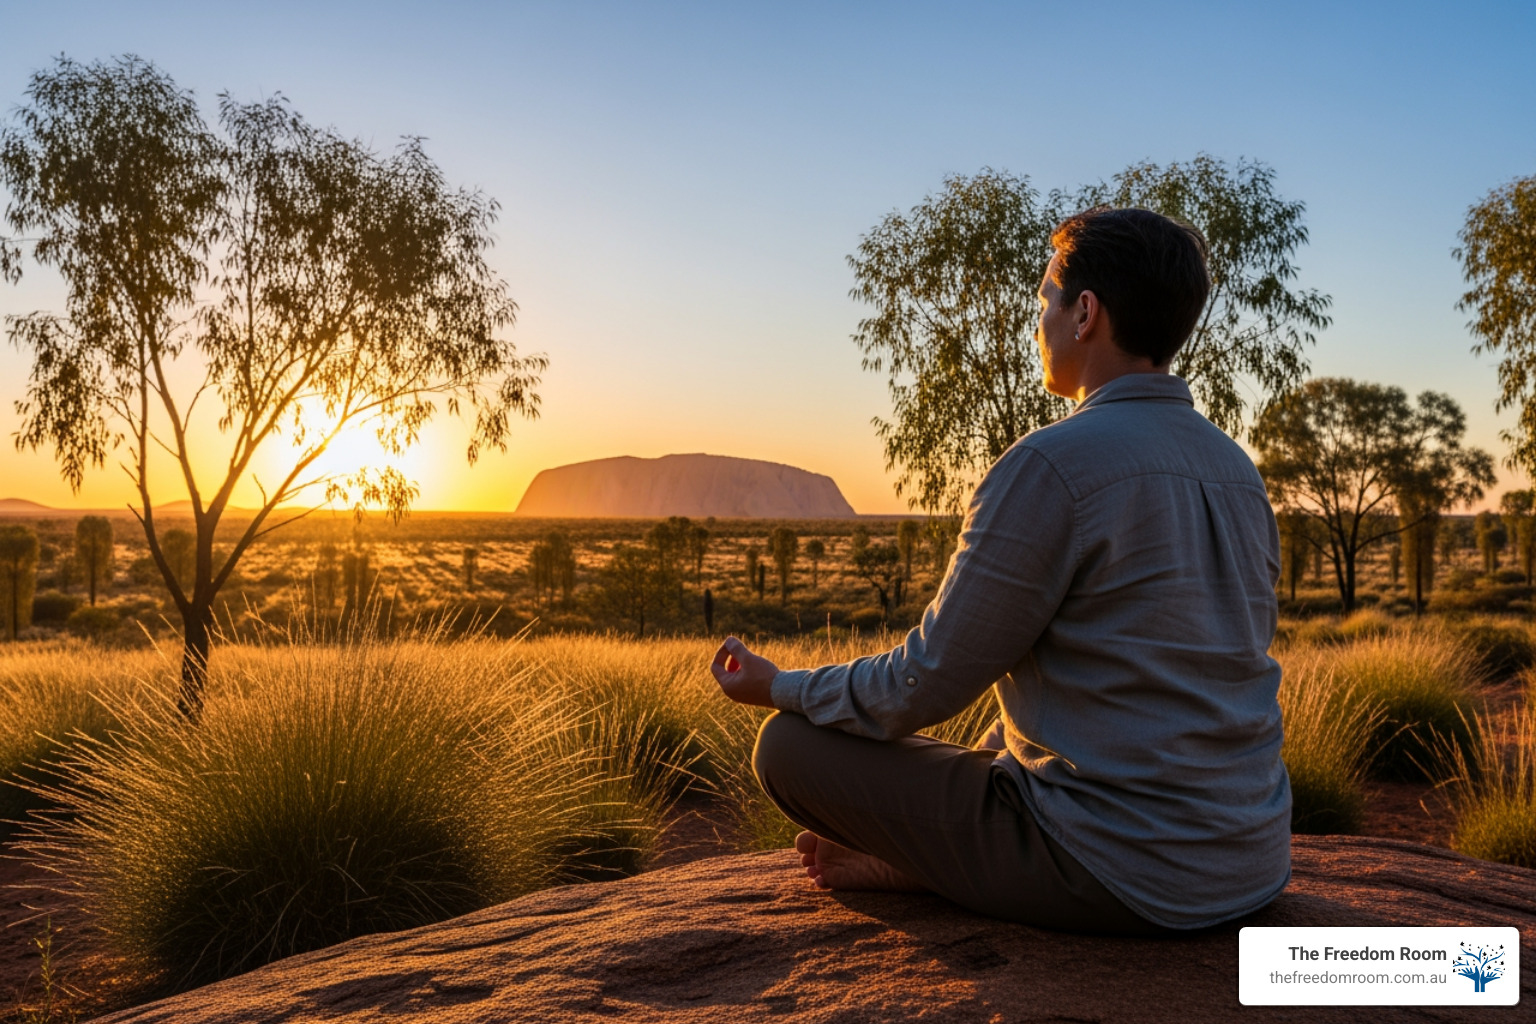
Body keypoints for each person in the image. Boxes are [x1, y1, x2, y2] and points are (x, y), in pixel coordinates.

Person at [709, 206, 1290, 935]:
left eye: (1045, 297)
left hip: (1120, 870)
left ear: (1086, 313)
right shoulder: (1236, 470)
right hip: (1250, 859)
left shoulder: (1052, 464)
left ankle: (931, 866)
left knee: (789, 748)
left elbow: (920, 684)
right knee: (1002, 730)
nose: (1037, 319)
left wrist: (778, 687)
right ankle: (948, 858)